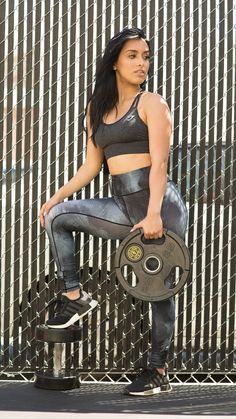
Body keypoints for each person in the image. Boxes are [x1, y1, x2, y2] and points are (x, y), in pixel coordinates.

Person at [39, 27, 188, 396]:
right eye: (133, 56)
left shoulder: (152, 103)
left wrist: (153, 214)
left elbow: (159, 164)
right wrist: (55, 198)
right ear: (115, 63)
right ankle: (75, 297)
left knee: (159, 289)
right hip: (121, 204)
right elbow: (91, 167)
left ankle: (157, 369)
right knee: (57, 217)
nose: (142, 63)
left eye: (146, 56)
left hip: (159, 205)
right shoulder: (98, 109)